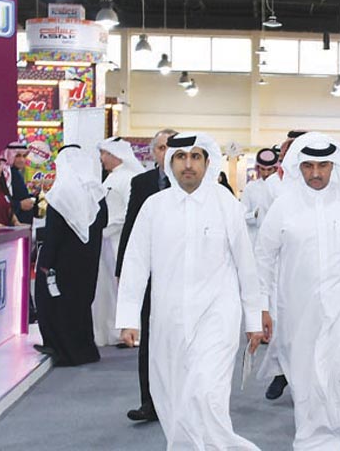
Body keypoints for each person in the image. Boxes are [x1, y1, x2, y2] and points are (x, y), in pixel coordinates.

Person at [115, 132, 265, 450]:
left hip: (218, 316)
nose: (188, 165)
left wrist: (253, 318)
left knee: (206, 391)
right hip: (168, 316)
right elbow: (136, 264)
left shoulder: (226, 204)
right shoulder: (154, 207)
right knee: (171, 393)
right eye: (181, 158)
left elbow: (246, 265)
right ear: (170, 163)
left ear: (207, 163)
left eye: (195, 157)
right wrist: (129, 318)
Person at [256, 132, 340, 450]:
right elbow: (263, 258)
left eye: (323, 166)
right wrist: (261, 306)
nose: (316, 174)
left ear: (335, 167)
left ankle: (339, 427)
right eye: (309, 166)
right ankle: (317, 434)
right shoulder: (283, 207)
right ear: (299, 168)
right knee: (307, 372)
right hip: (300, 308)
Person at [116, 128, 178, 423]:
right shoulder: (141, 183)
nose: (166, 153)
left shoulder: (194, 183)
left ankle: (179, 400)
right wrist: (123, 272)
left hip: (183, 275)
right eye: (162, 147)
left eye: (171, 147)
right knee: (150, 338)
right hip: (150, 274)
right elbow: (130, 228)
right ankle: (148, 401)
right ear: (153, 152)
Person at [34, 144, 108, 366]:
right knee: (81, 304)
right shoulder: (96, 191)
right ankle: (84, 349)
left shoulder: (61, 194)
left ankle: (63, 350)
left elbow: (54, 234)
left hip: (63, 262)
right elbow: (102, 222)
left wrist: (45, 263)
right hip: (88, 260)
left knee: (56, 303)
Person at [261, 130, 306, 400]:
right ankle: (282, 373)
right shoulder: (273, 185)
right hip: (280, 264)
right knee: (285, 324)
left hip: (308, 267)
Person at [94, 137, 145, 347]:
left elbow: (128, 213)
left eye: (104, 154)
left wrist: (106, 230)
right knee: (107, 290)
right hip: (106, 242)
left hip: (119, 241)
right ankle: (111, 331)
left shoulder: (129, 178)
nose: (101, 158)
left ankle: (128, 332)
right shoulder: (111, 178)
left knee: (123, 288)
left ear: (115, 154)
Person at [241, 147, 280, 245]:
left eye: (269, 169)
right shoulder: (250, 187)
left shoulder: (281, 187)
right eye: (263, 169)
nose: (266, 173)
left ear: (275, 168)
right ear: (258, 168)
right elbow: (242, 216)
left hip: (277, 239)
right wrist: (255, 215)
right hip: (255, 238)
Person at [4, 142, 36, 225]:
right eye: (17, 156)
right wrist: (19, 205)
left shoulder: (17, 173)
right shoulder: (4, 174)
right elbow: (0, 200)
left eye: (24, 156)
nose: (22, 160)